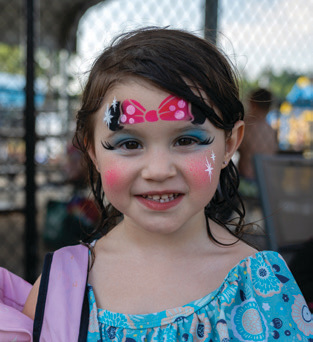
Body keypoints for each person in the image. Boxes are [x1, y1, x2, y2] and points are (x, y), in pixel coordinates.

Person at [20, 28, 313, 341]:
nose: (158, 171)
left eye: (186, 140)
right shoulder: (59, 287)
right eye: (129, 144)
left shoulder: (263, 287)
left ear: (229, 145)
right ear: (92, 152)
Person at [238, 88, 278, 181]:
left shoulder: (246, 126)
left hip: (247, 181)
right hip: (267, 182)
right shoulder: (271, 130)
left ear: (253, 103)